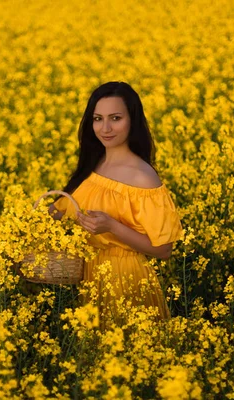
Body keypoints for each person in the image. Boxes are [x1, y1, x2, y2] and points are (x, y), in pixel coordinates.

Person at [50, 81, 183, 326]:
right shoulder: (94, 164)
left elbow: (164, 250)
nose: (105, 128)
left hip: (125, 280)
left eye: (115, 118)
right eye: (98, 119)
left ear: (132, 120)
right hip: (90, 275)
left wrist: (112, 226)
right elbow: (68, 211)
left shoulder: (142, 176)